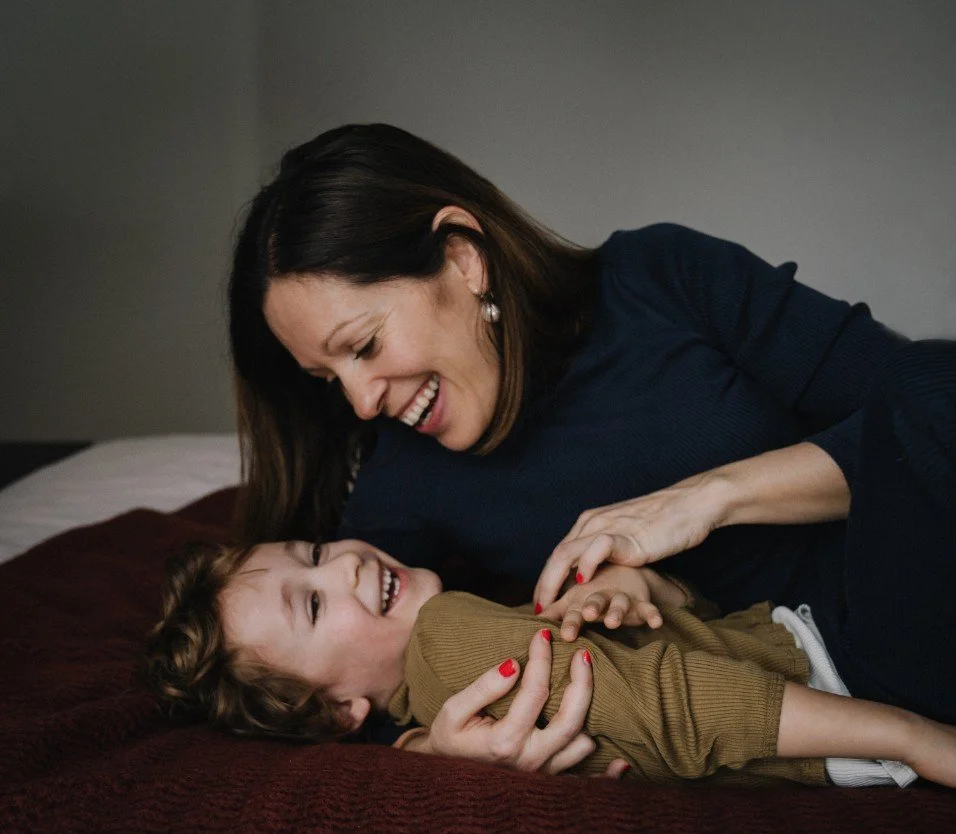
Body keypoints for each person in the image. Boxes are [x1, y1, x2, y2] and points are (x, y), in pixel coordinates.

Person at [228, 123, 956, 772]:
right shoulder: (407, 481)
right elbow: (327, 687)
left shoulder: (661, 276)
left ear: (461, 258)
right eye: (330, 379)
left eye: (364, 345)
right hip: (855, 668)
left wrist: (709, 500)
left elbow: (920, 414)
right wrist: (430, 748)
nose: (360, 402)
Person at [144, 536, 956, 788]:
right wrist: (915, 737)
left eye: (313, 550)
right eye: (313, 604)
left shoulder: (444, 709)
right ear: (334, 712)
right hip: (840, 676)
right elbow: (688, 703)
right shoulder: (443, 635)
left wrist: (645, 588)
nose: (343, 565)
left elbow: (692, 655)